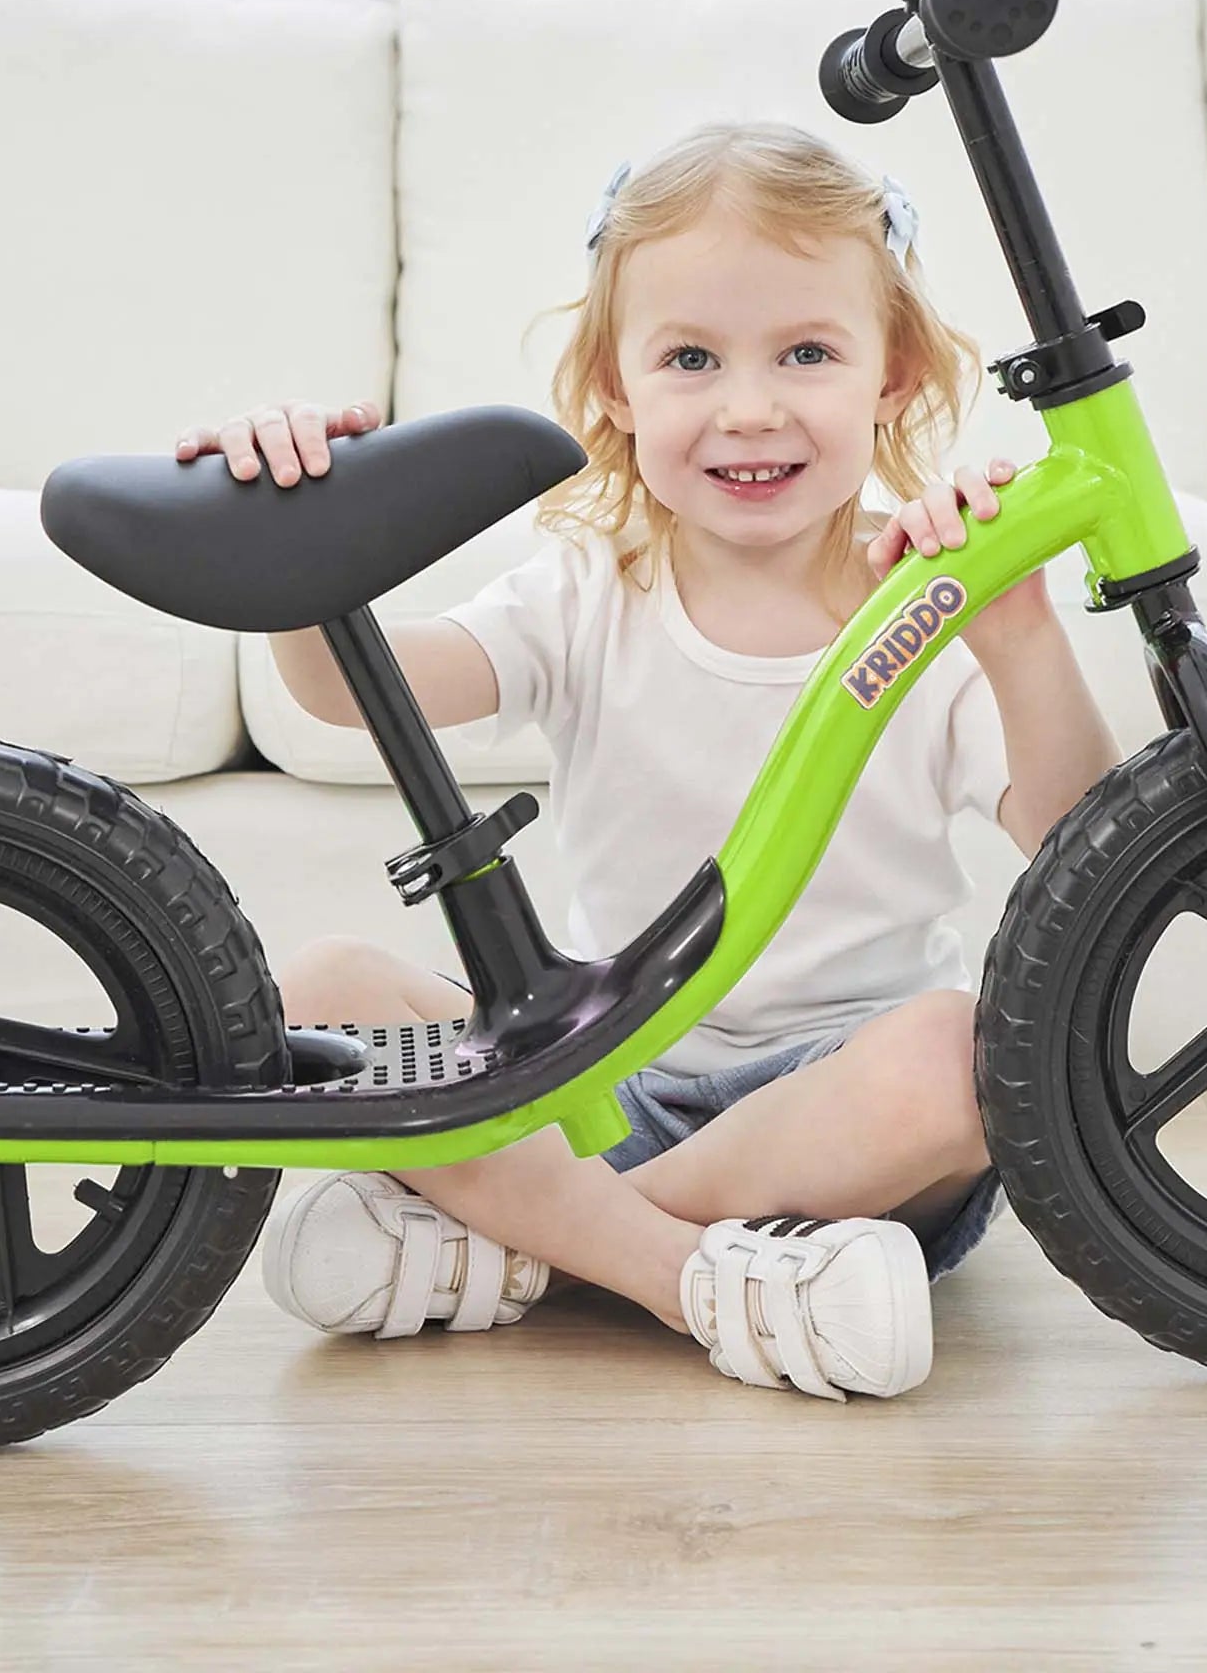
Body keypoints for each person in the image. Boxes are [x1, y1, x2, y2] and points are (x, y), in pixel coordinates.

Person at [172, 120, 1120, 1402]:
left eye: (805, 351)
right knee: (318, 984)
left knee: (963, 1051)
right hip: (601, 1080)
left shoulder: (928, 588)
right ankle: (687, 1277)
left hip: (839, 1118)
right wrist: (292, 541)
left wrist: (1018, 637)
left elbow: (1076, 838)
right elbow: (345, 691)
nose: (748, 406)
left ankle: (528, 1245)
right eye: (689, 356)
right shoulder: (585, 589)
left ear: (889, 375)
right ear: (613, 388)